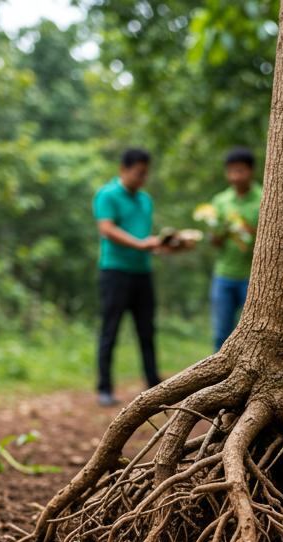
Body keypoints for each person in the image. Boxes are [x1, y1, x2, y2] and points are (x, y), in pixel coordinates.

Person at [93, 148, 164, 407]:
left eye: (146, 173)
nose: (143, 178)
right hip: (115, 272)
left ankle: (154, 385)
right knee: (110, 330)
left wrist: (165, 245)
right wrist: (140, 244)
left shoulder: (146, 200)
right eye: (138, 173)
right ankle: (104, 388)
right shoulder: (107, 195)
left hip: (142, 272)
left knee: (147, 330)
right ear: (123, 169)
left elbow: (146, 239)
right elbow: (107, 228)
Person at [205, 147, 262, 350]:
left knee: (254, 333)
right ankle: (218, 377)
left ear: (251, 171)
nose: (235, 176)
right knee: (221, 331)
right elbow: (215, 242)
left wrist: (249, 230)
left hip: (253, 278)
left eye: (240, 171)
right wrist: (219, 233)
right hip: (224, 275)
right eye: (231, 171)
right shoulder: (220, 201)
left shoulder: (263, 198)